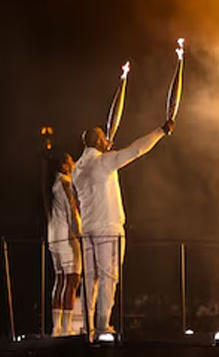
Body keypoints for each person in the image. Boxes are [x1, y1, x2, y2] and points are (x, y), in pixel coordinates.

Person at [72, 120, 174, 339]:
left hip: (87, 228)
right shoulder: (104, 163)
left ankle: (87, 327)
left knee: (90, 279)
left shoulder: (77, 169)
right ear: (99, 141)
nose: (108, 138)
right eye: (103, 136)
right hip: (107, 227)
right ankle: (102, 326)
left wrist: (107, 152)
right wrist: (160, 131)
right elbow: (136, 149)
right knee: (109, 277)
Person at [46, 152, 82, 337]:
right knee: (72, 279)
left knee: (60, 279)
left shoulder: (54, 184)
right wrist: (80, 233)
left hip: (54, 236)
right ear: (65, 166)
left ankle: (56, 328)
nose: (74, 163)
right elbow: (72, 211)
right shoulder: (66, 183)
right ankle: (66, 329)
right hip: (67, 237)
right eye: (71, 161)